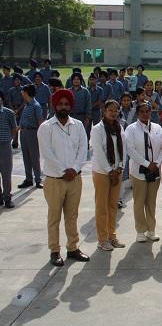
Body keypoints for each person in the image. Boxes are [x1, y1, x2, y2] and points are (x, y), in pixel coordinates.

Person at [38, 89, 89, 267]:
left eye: (66, 104)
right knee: (54, 217)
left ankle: (73, 248)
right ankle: (54, 250)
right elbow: (47, 153)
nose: (63, 107)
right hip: (54, 180)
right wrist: (63, 171)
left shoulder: (78, 125)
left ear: (71, 106)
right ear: (55, 105)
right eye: (60, 104)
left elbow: (83, 149)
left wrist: (74, 169)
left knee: (72, 216)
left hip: (75, 179)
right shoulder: (46, 127)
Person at [125, 102, 162, 243]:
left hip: (155, 171)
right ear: (137, 113)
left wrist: (157, 163)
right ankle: (140, 231)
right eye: (142, 111)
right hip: (138, 171)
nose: (145, 114)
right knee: (139, 202)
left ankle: (151, 230)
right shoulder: (131, 129)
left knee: (151, 202)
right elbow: (130, 150)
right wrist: (147, 164)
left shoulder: (157, 128)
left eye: (147, 111)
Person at [91, 100, 126, 251]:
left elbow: (123, 149)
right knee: (102, 206)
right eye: (110, 110)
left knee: (113, 205)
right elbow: (98, 151)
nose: (113, 113)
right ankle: (102, 239)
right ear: (104, 111)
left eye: (116, 110)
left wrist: (120, 167)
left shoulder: (119, 127)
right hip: (102, 172)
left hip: (117, 171)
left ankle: (112, 236)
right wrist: (109, 170)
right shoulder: (97, 129)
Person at [17, 84, 44, 189]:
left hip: (32, 133)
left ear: (27, 93)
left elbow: (40, 121)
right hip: (23, 133)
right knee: (26, 157)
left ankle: (38, 179)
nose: (22, 93)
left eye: (23, 92)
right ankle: (28, 179)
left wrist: (40, 136)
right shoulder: (27, 105)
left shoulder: (36, 106)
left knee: (34, 157)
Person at [0, 91, 17, 208]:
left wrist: (10, 139)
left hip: (5, 146)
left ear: (2, 99)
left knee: (6, 174)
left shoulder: (8, 113)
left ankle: (7, 198)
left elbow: (14, 128)